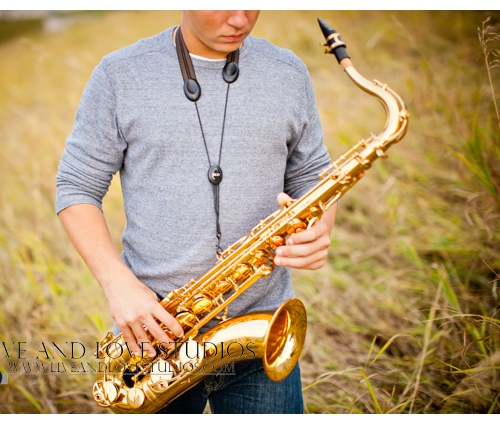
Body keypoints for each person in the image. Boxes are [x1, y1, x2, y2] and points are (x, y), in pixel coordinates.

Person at [55, 11, 336, 413]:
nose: (240, 18)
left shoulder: (288, 71)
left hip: (261, 328)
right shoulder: (120, 75)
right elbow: (76, 188)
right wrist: (117, 284)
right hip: (153, 337)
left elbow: (312, 175)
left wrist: (319, 228)